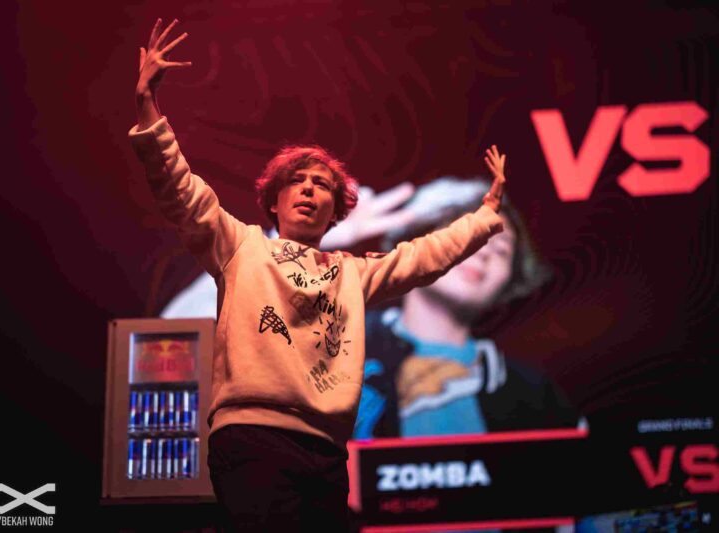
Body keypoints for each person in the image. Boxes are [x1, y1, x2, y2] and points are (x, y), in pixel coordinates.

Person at [129, 18, 507, 532]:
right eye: (297, 181)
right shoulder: (241, 247)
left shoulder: (352, 274)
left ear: (336, 213)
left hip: (325, 450)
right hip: (252, 435)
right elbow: (182, 190)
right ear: (274, 200)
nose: (309, 189)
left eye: (322, 185)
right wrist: (148, 107)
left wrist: (485, 216)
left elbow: (425, 256)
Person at [354, 177, 585, 439]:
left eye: (501, 250)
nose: (482, 251)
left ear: (510, 282)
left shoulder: (533, 394)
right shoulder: (338, 345)